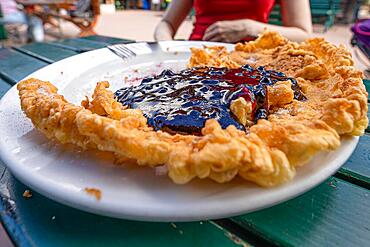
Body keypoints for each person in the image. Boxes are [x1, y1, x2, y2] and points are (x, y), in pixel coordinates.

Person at [154, 0, 312, 42]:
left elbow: (303, 34)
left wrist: (249, 28)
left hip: (252, 60)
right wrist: (167, 45)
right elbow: (166, 24)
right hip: (197, 56)